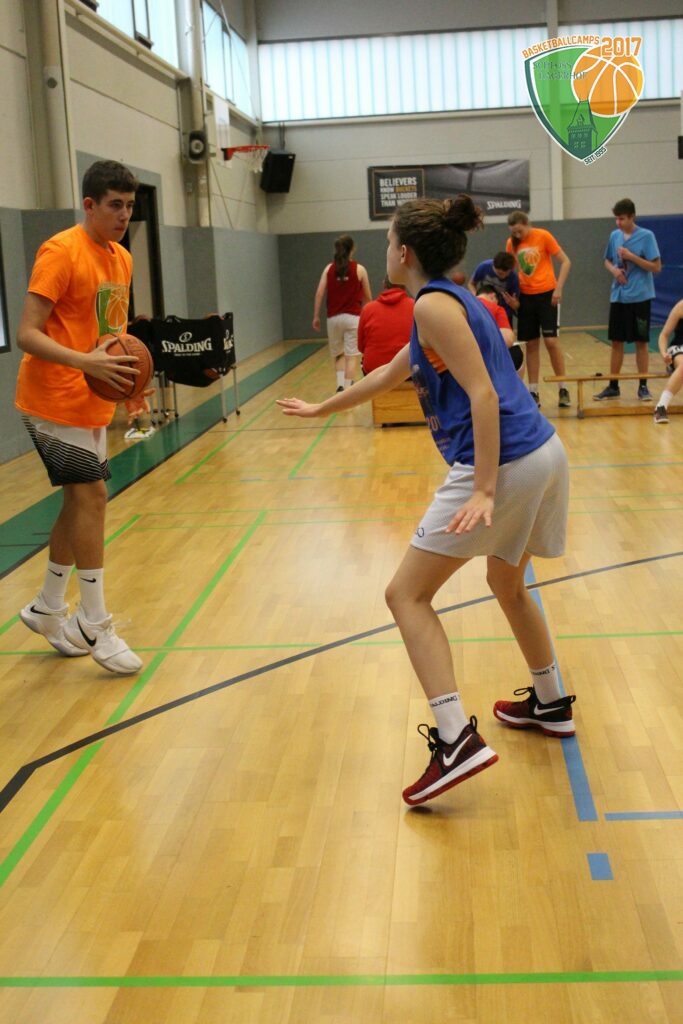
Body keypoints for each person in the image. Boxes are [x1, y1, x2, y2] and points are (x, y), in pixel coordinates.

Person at [279, 194, 574, 808]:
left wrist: (485, 488)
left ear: (405, 252)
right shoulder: (447, 300)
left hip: (507, 460)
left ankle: (454, 739)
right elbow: (388, 374)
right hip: (544, 452)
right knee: (507, 582)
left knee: (406, 595)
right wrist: (321, 407)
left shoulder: (434, 305)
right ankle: (550, 700)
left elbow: (484, 394)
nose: (385, 249)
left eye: (389, 241)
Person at [15, 159, 143, 675]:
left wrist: (129, 382)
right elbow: (27, 333)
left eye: (129, 206)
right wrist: (83, 362)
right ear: (89, 204)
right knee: (93, 497)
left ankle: (48, 606)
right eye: (114, 205)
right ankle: (94, 621)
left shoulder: (122, 258)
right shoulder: (60, 252)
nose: (123, 215)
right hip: (51, 398)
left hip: (92, 399)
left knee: (77, 503)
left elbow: (113, 334)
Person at [595, 198, 662, 402]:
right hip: (619, 296)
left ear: (632, 217)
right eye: (616, 219)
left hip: (640, 297)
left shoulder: (646, 236)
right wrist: (615, 271)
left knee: (641, 341)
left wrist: (632, 257)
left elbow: (656, 267)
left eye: (622, 218)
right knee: (617, 341)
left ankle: (643, 386)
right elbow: (607, 260)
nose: (618, 222)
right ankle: (613, 385)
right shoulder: (615, 236)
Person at [506, 211, 572, 409]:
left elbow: (566, 261)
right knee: (531, 344)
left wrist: (558, 289)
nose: (517, 235)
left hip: (547, 295)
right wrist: (514, 300)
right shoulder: (511, 244)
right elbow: (511, 273)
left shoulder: (543, 236)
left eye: (519, 231)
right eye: (514, 232)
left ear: (527, 224)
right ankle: (533, 391)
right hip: (526, 298)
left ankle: (563, 387)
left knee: (551, 342)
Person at [312, 234, 372, 391]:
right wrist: (368, 317)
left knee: (338, 354)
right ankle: (348, 389)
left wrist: (316, 316)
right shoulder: (360, 269)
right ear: (352, 249)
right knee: (351, 357)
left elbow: (319, 293)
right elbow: (368, 297)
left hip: (333, 319)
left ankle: (340, 387)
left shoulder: (329, 269)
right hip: (353, 318)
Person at [357, 276, 414, 374]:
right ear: (405, 285)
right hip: (408, 370)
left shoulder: (368, 309)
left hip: (374, 370)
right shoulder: (416, 306)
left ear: (384, 284)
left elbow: (361, 347)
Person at [474, 282, 524, 373]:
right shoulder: (496, 309)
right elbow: (507, 340)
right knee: (516, 351)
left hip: (456, 361)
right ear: (492, 296)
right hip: (484, 360)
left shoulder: (461, 304)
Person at [469, 250, 520, 327]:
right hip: (484, 309)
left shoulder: (513, 278)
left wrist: (512, 303)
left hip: (504, 311)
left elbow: (516, 305)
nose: (503, 276)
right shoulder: (484, 267)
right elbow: (471, 283)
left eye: (506, 273)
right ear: (493, 266)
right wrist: (477, 297)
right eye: (499, 273)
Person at [653, 298, 683, 424]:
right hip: (679, 348)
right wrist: (664, 353)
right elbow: (664, 335)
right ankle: (661, 406)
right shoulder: (681, 306)